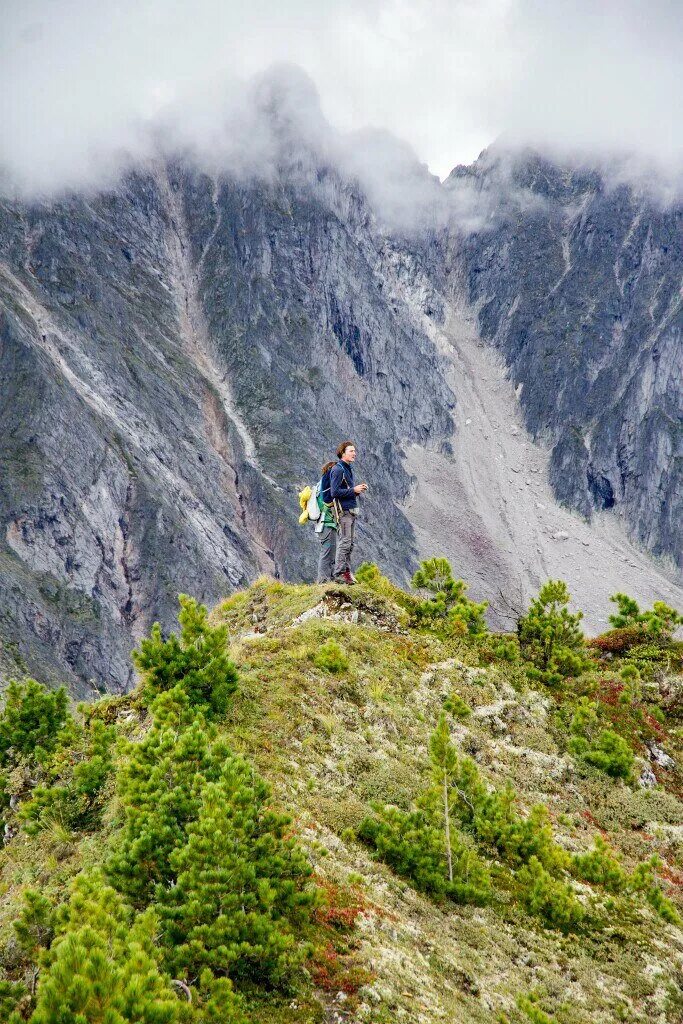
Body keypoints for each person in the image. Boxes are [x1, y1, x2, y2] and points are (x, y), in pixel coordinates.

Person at [330, 440, 368, 585]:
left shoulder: (347, 468)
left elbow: (345, 491)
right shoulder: (338, 469)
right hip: (344, 512)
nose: (354, 453)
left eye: (354, 451)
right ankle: (339, 573)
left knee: (350, 543)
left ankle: (346, 573)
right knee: (345, 542)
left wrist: (357, 491)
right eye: (351, 451)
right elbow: (334, 492)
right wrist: (353, 490)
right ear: (343, 453)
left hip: (351, 511)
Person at [316, 461, 338, 583]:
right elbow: (325, 503)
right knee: (327, 552)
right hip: (326, 523)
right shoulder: (325, 484)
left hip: (325, 524)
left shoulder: (321, 484)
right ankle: (323, 581)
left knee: (330, 552)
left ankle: (329, 578)